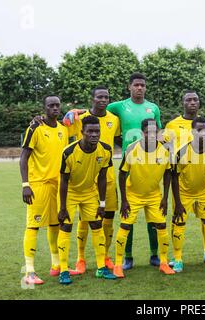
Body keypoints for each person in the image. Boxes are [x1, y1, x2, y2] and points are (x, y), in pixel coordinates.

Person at [107, 72, 162, 270]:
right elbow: (98, 114)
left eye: (143, 85)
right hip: (129, 165)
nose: (140, 88)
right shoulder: (119, 106)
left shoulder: (153, 108)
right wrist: (77, 111)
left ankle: (155, 254)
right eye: (136, 85)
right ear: (129, 87)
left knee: (153, 214)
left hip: (150, 165)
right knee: (127, 213)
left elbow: (159, 133)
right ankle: (128, 257)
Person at [64, 86, 121, 274]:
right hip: (85, 179)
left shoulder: (115, 120)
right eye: (99, 97)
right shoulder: (79, 118)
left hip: (108, 176)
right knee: (85, 220)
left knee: (108, 219)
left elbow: (119, 141)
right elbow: (63, 127)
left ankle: (105, 256)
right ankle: (81, 259)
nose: (103, 100)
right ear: (92, 98)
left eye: (106, 97)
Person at [57, 115, 117, 284]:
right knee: (66, 227)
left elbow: (103, 177)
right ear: (82, 132)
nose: (94, 135)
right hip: (70, 192)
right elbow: (63, 180)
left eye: (97, 131)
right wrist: (62, 207)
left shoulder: (105, 150)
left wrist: (102, 203)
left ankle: (101, 268)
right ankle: (63, 270)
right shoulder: (68, 152)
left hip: (90, 192)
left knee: (97, 225)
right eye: (89, 131)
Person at [113, 119, 175, 278]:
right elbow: (122, 174)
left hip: (154, 195)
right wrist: (124, 200)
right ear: (142, 133)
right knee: (125, 227)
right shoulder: (132, 149)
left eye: (155, 132)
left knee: (161, 226)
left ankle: (163, 263)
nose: (152, 135)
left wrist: (165, 198)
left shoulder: (164, 150)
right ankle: (118, 265)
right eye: (148, 132)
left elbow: (168, 173)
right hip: (133, 195)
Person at [20, 95, 69, 285]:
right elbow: (23, 157)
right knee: (33, 225)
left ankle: (56, 265)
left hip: (58, 186)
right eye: (51, 106)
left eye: (57, 105)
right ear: (44, 108)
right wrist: (26, 185)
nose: (55, 108)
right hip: (38, 185)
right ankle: (29, 271)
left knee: (55, 224)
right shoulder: (35, 128)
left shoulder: (63, 130)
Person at [163, 90, 205, 262]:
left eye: (195, 100)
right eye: (188, 100)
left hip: (202, 180)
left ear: (199, 103)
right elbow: (167, 150)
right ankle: (177, 258)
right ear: (183, 103)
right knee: (178, 218)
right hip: (181, 179)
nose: (192, 102)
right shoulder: (172, 125)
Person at [170, 117, 205, 272]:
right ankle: (178, 258)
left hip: (204, 191)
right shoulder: (182, 152)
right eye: (199, 130)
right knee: (179, 223)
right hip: (183, 192)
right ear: (192, 132)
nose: (203, 133)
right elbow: (174, 178)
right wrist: (178, 203)